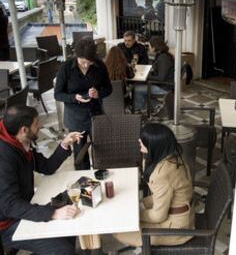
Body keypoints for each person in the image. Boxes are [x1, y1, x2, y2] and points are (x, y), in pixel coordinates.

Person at [0, 105, 83, 254]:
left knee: (70, 223)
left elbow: (46, 167)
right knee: (63, 249)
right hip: (7, 223)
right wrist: (53, 213)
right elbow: (9, 206)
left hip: (26, 206)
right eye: (36, 124)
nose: (40, 126)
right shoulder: (4, 157)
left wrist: (64, 144)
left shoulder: (19, 140)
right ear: (24, 130)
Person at [114, 123, 194, 247]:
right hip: (184, 217)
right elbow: (162, 196)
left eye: (143, 140)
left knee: (120, 230)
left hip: (176, 228)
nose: (139, 141)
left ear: (154, 146)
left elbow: (158, 216)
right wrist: (140, 204)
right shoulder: (173, 157)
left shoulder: (162, 174)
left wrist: (134, 213)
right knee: (123, 221)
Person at [54, 38, 112, 170]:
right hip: (75, 117)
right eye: (83, 62)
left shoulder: (100, 66)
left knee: (102, 149)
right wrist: (74, 97)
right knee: (80, 153)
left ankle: (102, 175)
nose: (86, 65)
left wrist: (98, 93)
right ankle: (83, 180)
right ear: (76, 56)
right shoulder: (66, 68)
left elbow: (108, 88)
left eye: (89, 62)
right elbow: (57, 94)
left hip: (96, 113)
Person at [133, 36, 174, 114]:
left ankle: (138, 110)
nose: (148, 48)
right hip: (164, 85)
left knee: (136, 89)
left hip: (165, 87)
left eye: (149, 46)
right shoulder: (162, 55)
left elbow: (161, 78)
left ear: (154, 47)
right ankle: (155, 104)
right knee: (138, 85)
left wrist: (146, 77)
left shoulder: (163, 58)